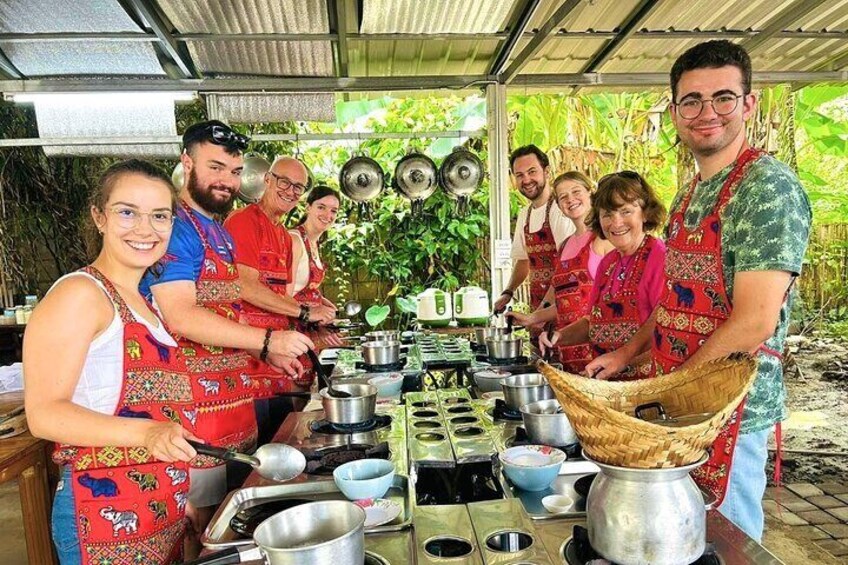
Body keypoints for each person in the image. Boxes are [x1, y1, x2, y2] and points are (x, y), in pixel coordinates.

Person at [585, 40, 812, 541]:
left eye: (723, 98)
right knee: (680, 533)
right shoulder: (691, 194)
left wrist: (675, 388)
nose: (707, 113)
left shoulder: (765, 188)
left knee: (725, 536)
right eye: (692, 101)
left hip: (729, 406)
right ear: (675, 111)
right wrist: (627, 354)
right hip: (682, 402)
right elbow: (671, 303)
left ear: (749, 104)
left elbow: (755, 321)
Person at [141, 121, 313, 551]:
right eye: (215, 167)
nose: (226, 181)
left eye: (234, 172)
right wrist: (267, 341)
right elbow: (179, 315)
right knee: (199, 539)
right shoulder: (175, 227)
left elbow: (224, 310)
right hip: (190, 415)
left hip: (232, 408)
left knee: (228, 530)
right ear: (187, 162)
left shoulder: (218, 230)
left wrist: (266, 354)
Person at [24, 160, 199, 564]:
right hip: (101, 513)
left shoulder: (146, 303)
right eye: (127, 212)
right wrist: (149, 434)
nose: (145, 229)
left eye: (159, 216)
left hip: (157, 510)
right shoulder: (81, 294)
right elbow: (45, 414)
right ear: (99, 217)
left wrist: (176, 495)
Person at [541, 171, 667, 379]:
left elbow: (662, 322)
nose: (616, 223)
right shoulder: (608, 263)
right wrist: (558, 337)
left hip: (647, 388)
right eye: (607, 214)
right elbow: (591, 322)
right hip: (608, 386)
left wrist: (622, 357)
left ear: (645, 213)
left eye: (626, 211)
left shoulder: (659, 257)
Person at [506, 172, 613, 372]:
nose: (570, 199)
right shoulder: (565, 245)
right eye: (563, 197)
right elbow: (564, 301)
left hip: (597, 350)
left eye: (576, 192)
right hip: (566, 344)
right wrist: (532, 318)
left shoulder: (604, 240)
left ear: (591, 194)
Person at [493, 145, 576, 314]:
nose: (526, 180)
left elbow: (567, 266)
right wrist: (508, 292)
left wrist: (543, 311)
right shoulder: (525, 214)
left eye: (532, 172)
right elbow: (523, 260)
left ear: (546, 172)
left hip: (563, 307)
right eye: (520, 175)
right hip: (538, 307)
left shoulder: (560, 209)